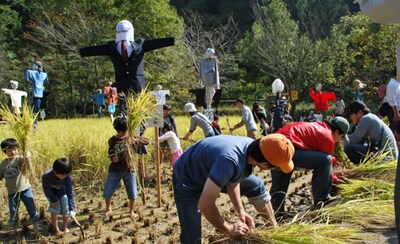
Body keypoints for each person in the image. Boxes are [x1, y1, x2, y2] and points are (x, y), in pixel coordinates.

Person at [173, 134, 295, 244]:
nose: (274, 170)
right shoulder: (230, 161)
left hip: (212, 169)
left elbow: (233, 180)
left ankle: (274, 229)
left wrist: (240, 211)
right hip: (187, 180)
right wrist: (229, 228)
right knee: (192, 237)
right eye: (275, 167)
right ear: (264, 163)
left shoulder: (251, 149)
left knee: (256, 184)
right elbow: (205, 204)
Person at [79, 20, 175, 111]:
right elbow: (96, 50)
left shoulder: (140, 45)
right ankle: (124, 127)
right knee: (123, 110)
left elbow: (156, 43)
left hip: (137, 85)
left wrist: (172, 40)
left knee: (139, 110)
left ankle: (139, 127)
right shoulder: (111, 47)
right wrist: (82, 51)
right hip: (122, 85)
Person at [271, 116, 350, 215]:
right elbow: (325, 165)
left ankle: (276, 213)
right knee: (326, 160)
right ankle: (322, 200)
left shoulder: (319, 127)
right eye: (341, 137)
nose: (339, 140)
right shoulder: (327, 136)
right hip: (286, 147)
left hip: (272, 145)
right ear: (337, 132)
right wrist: (335, 180)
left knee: (282, 177)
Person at [103, 115, 140, 219]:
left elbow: (144, 142)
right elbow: (110, 153)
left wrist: (135, 140)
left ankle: (131, 211)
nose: (123, 133)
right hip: (115, 169)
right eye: (121, 131)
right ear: (117, 130)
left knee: (132, 192)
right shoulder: (112, 140)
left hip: (129, 169)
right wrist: (113, 158)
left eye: (124, 131)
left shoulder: (131, 138)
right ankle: (108, 209)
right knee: (108, 190)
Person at [0, 138, 39, 234]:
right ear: (5, 151)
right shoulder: (3, 164)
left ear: (18, 149)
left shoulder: (20, 159)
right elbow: (0, 175)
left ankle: (35, 224)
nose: (12, 152)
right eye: (9, 150)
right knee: (13, 211)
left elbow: (28, 167)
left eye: (14, 149)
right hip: (12, 192)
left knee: (31, 207)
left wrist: (27, 157)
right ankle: (14, 227)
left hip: (25, 188)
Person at [42, 158, 76, 236]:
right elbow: (47, 190)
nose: (64, 176)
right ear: (55, 172)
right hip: (51, 194)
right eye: (62, 175)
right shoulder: (46, 176)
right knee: (55, 209)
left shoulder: (67, 178)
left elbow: (69, 193)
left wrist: (72, 209)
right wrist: (54, 200)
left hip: (62, 193)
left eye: (66, 175)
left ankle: (65, 227)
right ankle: (56, 230)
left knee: (66, 208)